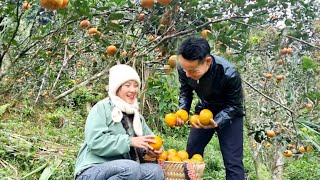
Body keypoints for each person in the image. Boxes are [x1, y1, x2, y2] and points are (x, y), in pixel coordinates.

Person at [74, 64, 165, 180]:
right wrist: (129, 141)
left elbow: (149, 140)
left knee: (155, 171)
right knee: (130, 168)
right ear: (116, 88)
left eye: (136, 85)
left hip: (125, 169)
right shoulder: (102, 108)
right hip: (92, 170)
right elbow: (95, 141)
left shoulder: (136, 115)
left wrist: (152, 151)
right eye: (127, 85)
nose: (133, 90)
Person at [175, 37, 245, 180]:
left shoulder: (229, 74)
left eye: (192, 70)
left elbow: (235, 105)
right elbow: (185, 92)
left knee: (233, 163)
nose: (187, 74)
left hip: (230, 113)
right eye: (184, 69)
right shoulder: (185, 68)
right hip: (205, 109)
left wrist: (218, 120)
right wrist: (183, 110)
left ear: (207, 61)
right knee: (191, 155)